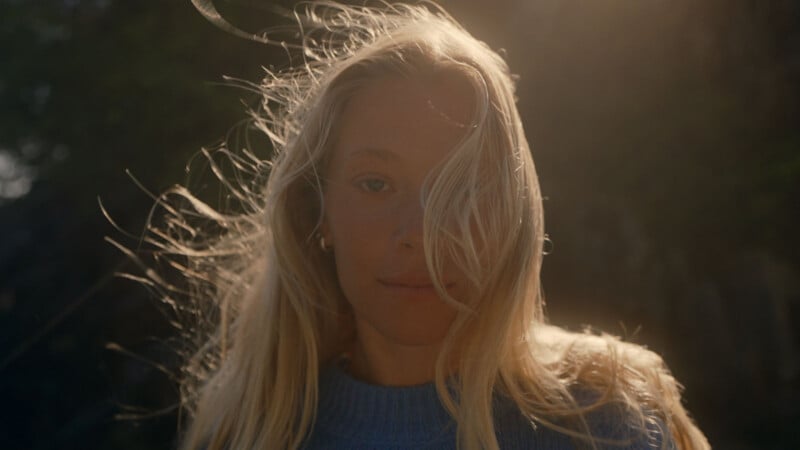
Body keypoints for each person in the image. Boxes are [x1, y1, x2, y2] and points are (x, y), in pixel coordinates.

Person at [147, 2, 710, 449]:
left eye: (461, 189)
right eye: (375, 184)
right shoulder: (248, 431)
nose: (420, 231)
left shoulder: (608, 423)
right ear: (316, 211)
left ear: (512, 216)